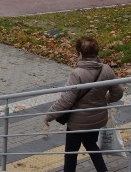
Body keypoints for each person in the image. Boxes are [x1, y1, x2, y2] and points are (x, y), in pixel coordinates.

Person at [44, 36, 123, 172]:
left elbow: (65, 101)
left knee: (71, 152)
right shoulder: (106, 69)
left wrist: (49, 116)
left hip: (77, 123)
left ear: (80, 54)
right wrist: (103, 99)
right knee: (91, 144)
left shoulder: (77, 74)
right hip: (97, 120)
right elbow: (118, 93)